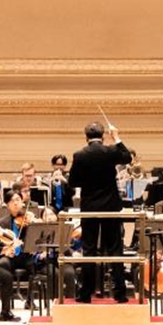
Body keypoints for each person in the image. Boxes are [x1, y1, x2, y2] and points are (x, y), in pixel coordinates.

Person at [68, 121, 133, 304]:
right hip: (111, 207)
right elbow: (127, 157)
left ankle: (86, 293)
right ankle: (120, 293)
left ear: (86, 136)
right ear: (103, 136)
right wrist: (117, 137)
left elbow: (73, 181)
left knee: (89, 250)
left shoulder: (79, 155)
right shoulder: (111, 151)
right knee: (114, 249)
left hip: (90, 208)